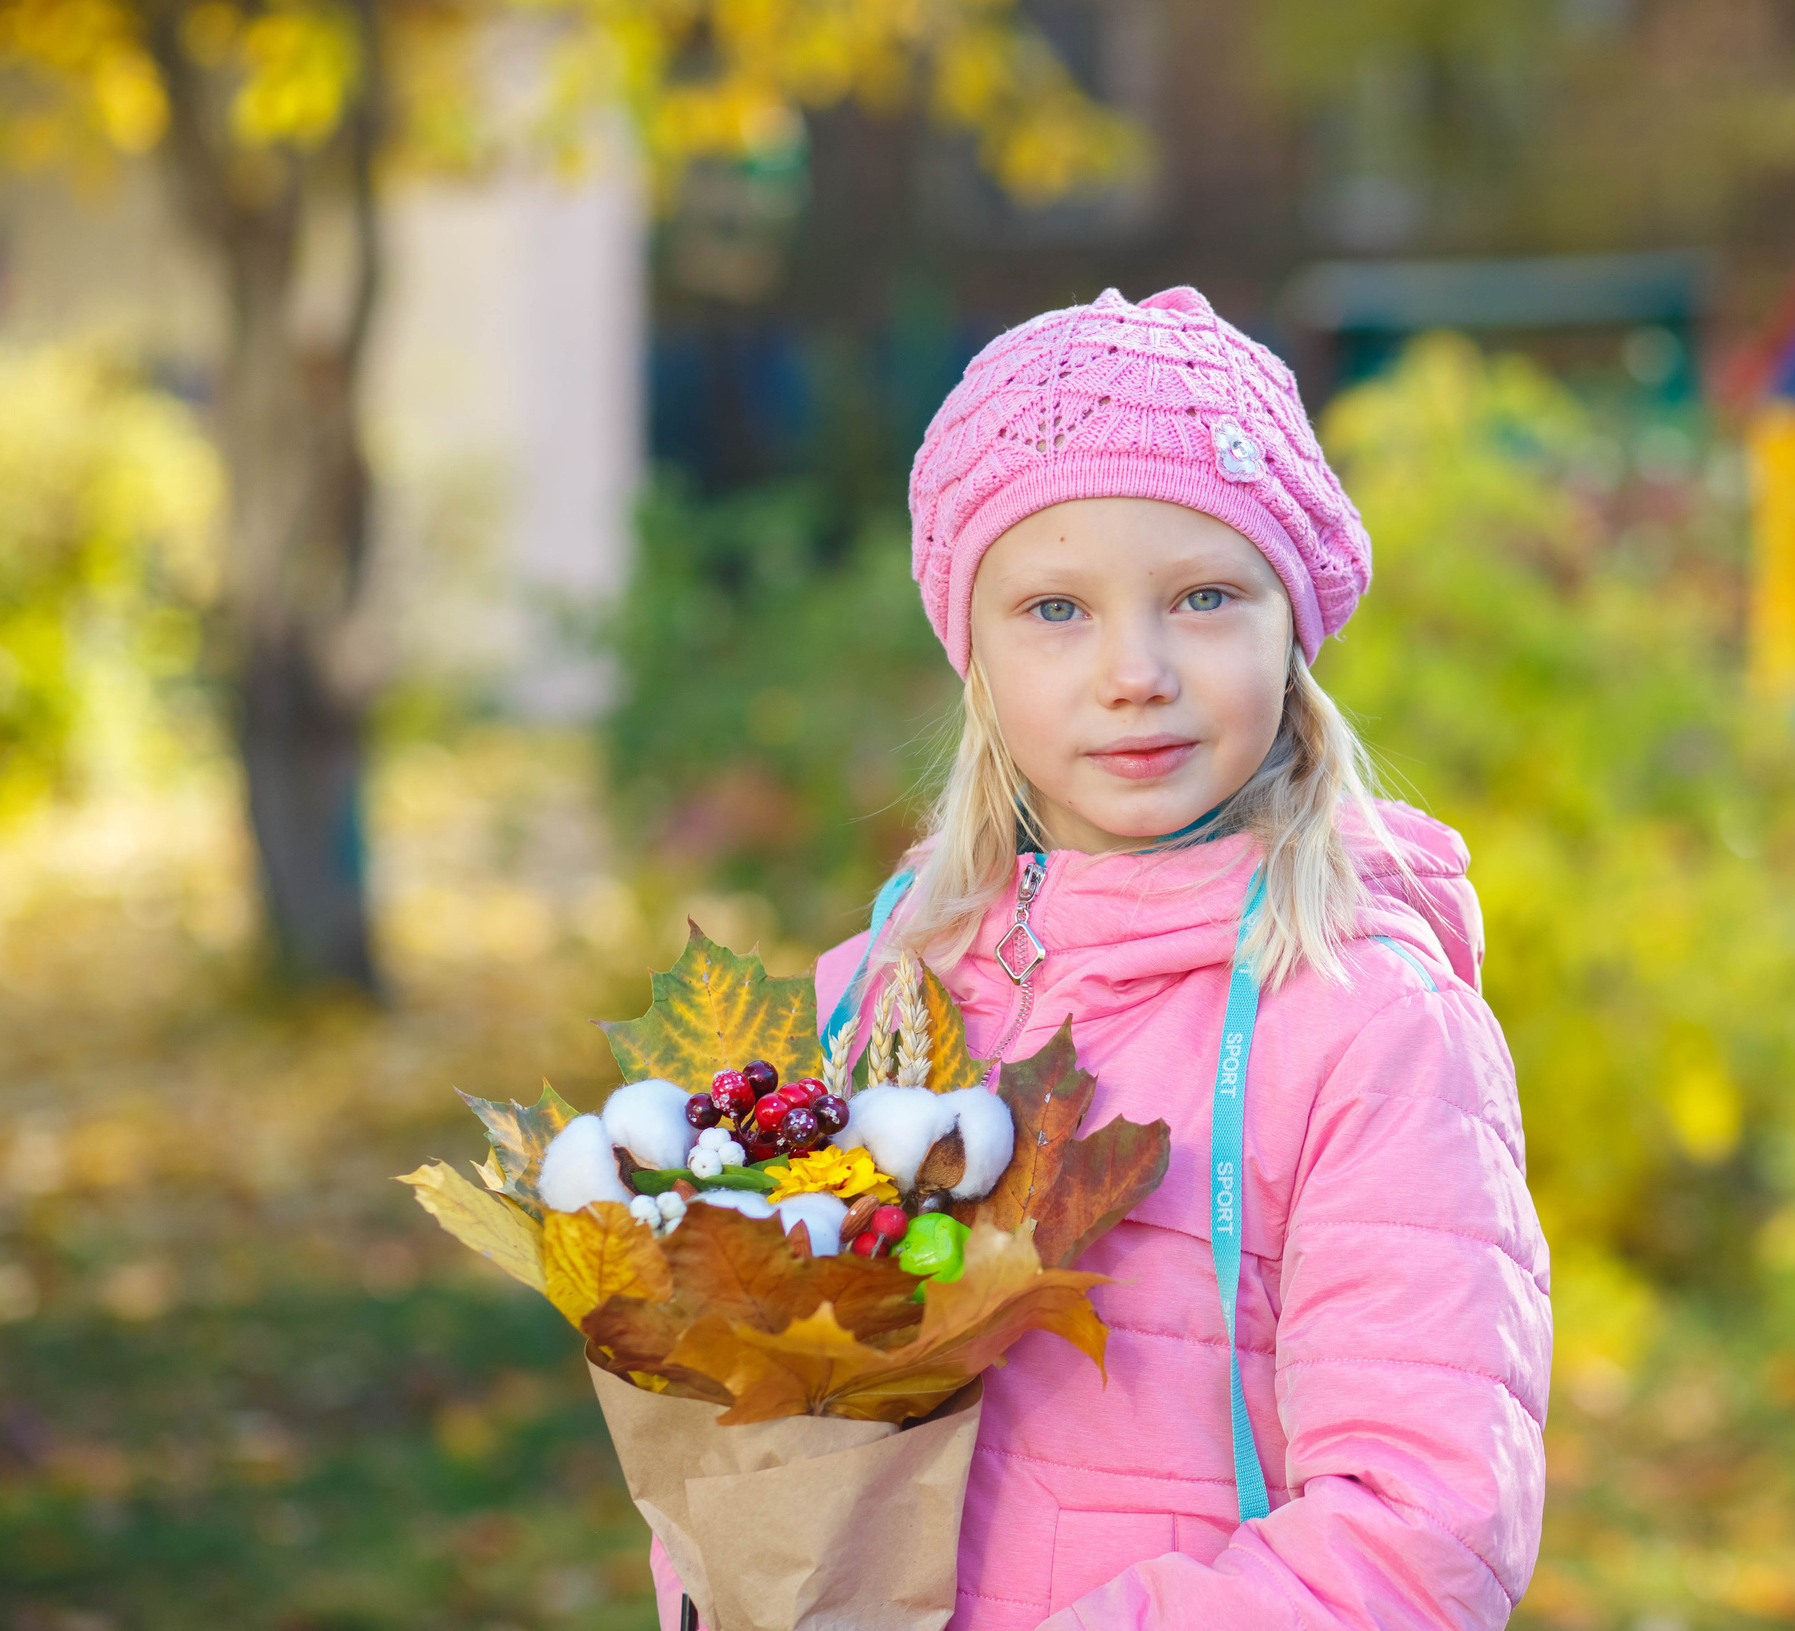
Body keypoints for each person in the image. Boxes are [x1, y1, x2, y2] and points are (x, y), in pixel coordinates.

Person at [653, 285, 1551, 1629]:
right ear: (974, 654)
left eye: (1204, 596)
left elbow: (1419, 1533)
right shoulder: (873, 1003)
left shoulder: (1368, 1027)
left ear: (1291, 628)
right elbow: (745, 1415)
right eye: (1056, 608)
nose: (1136, 671)